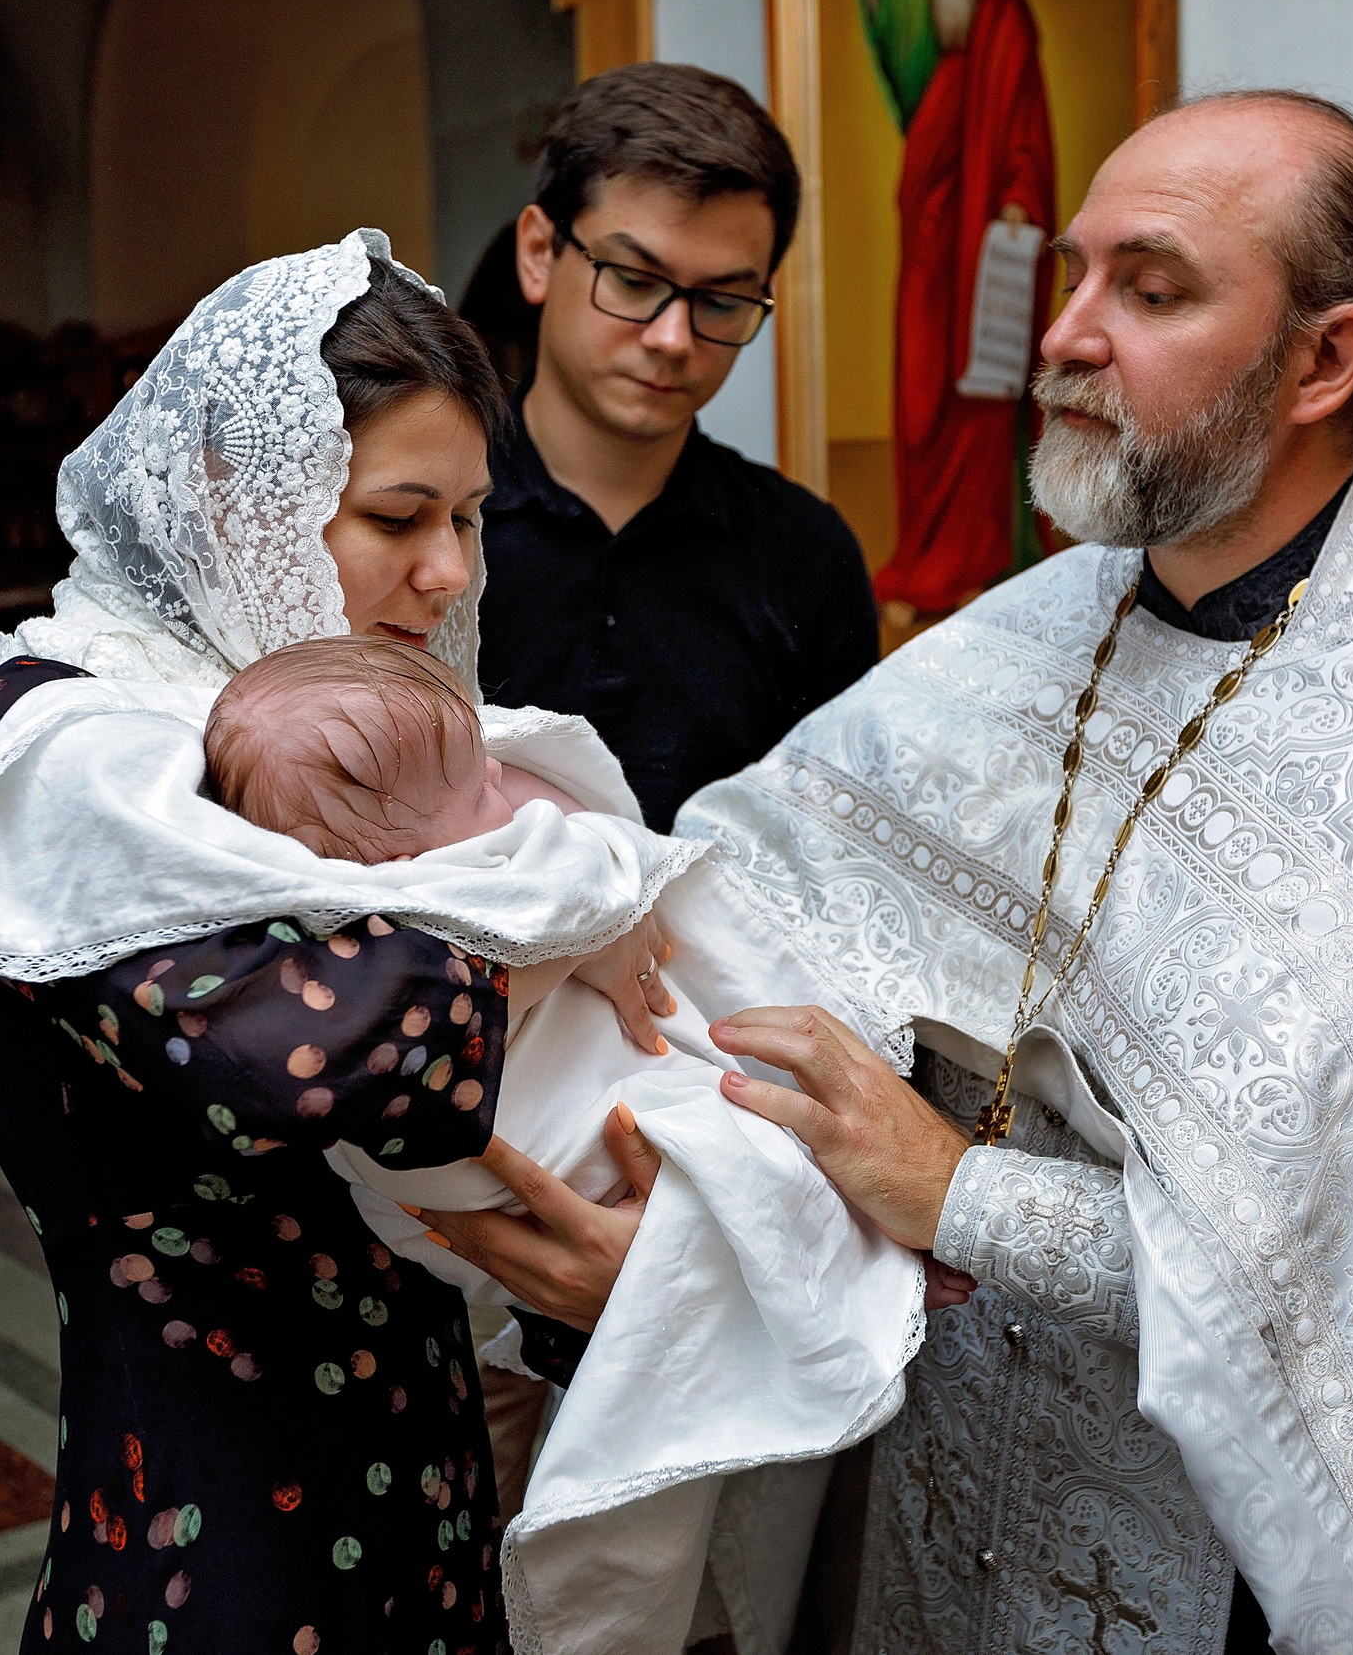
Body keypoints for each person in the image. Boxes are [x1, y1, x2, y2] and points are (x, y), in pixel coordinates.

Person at [673, 92, 1353, 1652]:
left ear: (1326, 358)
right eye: (1076, 275)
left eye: (1150, 292)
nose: (1068, 335)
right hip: (944, 1481)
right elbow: (739, 892)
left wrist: (957, 1189)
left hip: (1228, 1565)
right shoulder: (1029, 636)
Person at [0, 233, 670, 1655]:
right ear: (237, 491)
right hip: (220, 1522)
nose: (446, 572)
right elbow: (311, 1053)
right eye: (396, 514)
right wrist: (578, 927)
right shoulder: (58, 747)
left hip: (424, 1473)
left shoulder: (326, 708)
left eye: (474, 517)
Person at [204, 633, 931, 1654]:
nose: (503, 780)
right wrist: (603, 882)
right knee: (745, 1138)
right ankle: (873, 1258)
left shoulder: (318, 919)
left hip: (438, 1206)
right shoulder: (497, 870)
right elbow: (604, 872)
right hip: (544, 1144)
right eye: (480, 778)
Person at [477, 62, 881, 833]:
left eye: (722, 302)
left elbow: (837, 853)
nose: (672, 339)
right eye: (632, 279)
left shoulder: (806, 554)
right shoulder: (421, 526)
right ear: (538, 254)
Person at [858, 0, 1059, 614]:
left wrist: (1018, 202)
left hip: (981, 249)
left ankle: (975, 560)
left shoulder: (1005, 15)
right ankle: (922, 550)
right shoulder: (932, 37)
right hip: (928, 247)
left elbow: (1027, 125)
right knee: (921, 395)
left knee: (978, 394)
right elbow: (889, 32)